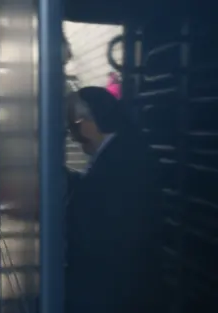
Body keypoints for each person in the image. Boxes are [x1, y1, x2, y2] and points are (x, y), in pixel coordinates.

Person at [65, 86, 163, 313]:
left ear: (90, 121)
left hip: (112, 292)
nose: (73, 136)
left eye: (75, 126)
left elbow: (106, 219)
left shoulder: (121, 160)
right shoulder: (124, 151)